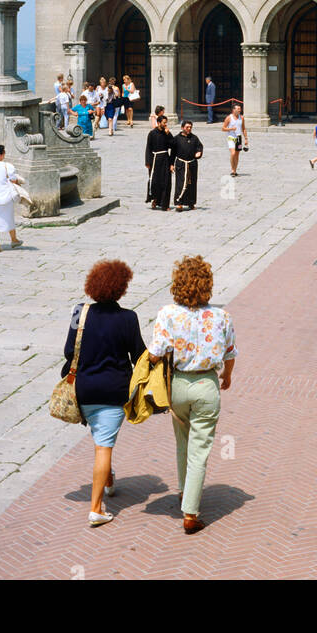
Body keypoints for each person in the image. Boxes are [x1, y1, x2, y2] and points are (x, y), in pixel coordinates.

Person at [148, 256, 236, 534]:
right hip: (206, 385)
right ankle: (191, 512)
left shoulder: (167, 314)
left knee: (182, 441)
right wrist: (227, 376)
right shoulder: (222, 317)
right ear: (207, 285)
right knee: (200, 448)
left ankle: (184, 490)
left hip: (177, 385)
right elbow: (231, 353)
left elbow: (155, 352)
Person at [63, 259, 146, 527]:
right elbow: (140, 356)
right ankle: (96, 508)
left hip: (84, 390)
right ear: (121, 289)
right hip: (113, 391)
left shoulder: (79, 312)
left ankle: (108, 480)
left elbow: (68, 351)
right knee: (103, 447)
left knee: (101, 438)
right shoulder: (128, 318)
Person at [171, 120, 203, 210]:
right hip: (181, 164)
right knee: (180, 183)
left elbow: (199, 147)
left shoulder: (194, 138)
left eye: (190, 127)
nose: (189, 129)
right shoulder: (176, 138)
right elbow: (173, 153)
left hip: (192, 163)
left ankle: (191, 203)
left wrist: (199, 153)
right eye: (187, 127)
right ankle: (179, 203)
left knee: (192, 183)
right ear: (182, 128)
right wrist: (171, 164)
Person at [145, 113, 174, 210]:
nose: (165, 124)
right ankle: (154, 199)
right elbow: (148, 148)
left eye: (166, 123)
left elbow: (173, 145)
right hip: (155, 159)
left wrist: (168, 134)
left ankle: (165, 205)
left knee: (166, 182)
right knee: (155, 182)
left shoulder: (166, 133)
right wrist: (148, 162)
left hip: (165, 159)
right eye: (164, 123)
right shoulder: (152, 133)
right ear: (158, 123)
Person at [222, 102, 248, 177]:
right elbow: (223, 128)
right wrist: (231, 129)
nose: (239, 110)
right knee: (233, 153)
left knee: (237, 155)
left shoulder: (242, 117)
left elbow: (243, 129)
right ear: (233, 110)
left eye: (240, 109)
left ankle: (235, 170)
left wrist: (246, 139)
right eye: (238, 109)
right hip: (231, 138)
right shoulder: (229, 118)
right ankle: (232, 169)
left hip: (239, 138)